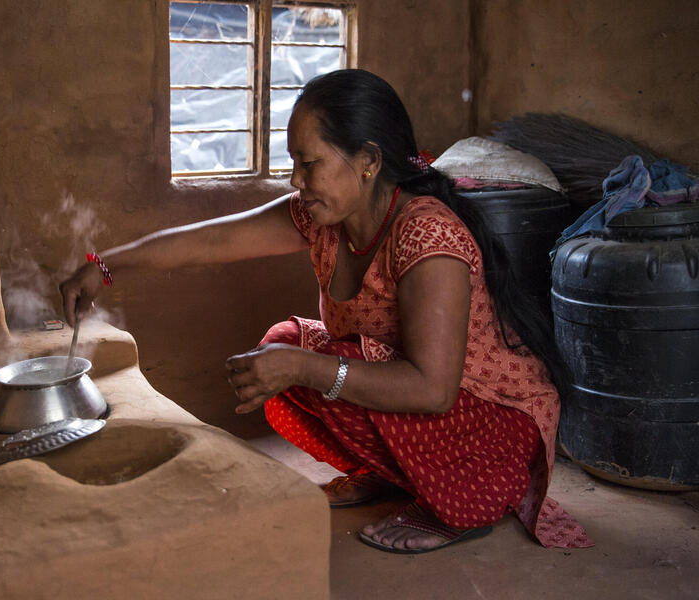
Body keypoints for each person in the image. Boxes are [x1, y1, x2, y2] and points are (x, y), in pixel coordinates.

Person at [60, 69, 592, 554]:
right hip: (423, 407)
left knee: (310, 361)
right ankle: (396, 475)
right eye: (295, 163)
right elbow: (212, 240)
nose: (296, 181)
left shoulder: (428, 235)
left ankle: (456, 507)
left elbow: (434, 389)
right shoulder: (323, 218)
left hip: (487, 425)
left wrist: (304, 368)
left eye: (309, 164)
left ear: (368, 161)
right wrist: (106, 265)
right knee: (287, 345)